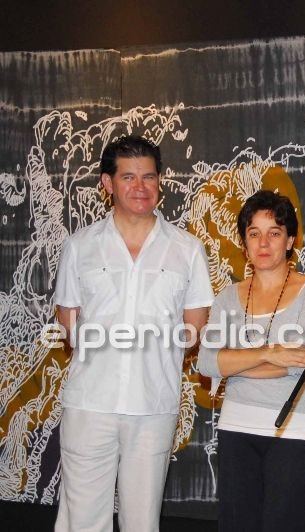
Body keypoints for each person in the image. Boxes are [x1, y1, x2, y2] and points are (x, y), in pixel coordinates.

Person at [53, 136, 214, 531]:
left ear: (160, 181)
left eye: (149, 177)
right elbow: (67, 322)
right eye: (128, 177)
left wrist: (153, 347)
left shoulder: (187, 249)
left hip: (153, 403)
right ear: (107, 183)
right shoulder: (79, 246)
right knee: (82, 520)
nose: (140, 187)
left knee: (142, 521)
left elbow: (194, 327)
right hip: (90, 402)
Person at [198, 190, 305, 531]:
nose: (264, 243)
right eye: (254, 233)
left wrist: (234, 363)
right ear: (244, 243)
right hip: (235, 426)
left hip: (292, 427)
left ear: (290, 241)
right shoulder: (227, 296)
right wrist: (270, 352)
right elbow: (207, 363)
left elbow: (300, 362)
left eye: (274, 232)